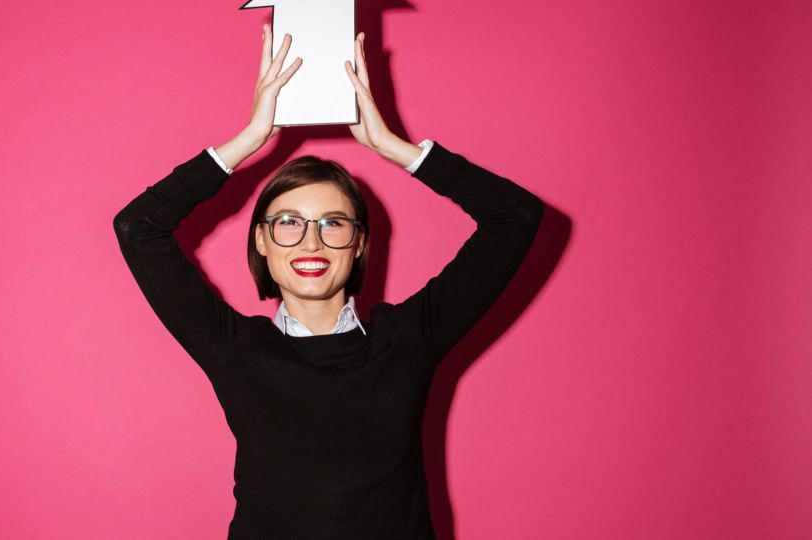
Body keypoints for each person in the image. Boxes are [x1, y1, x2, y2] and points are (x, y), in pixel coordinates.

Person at [113, 23, 544, 540]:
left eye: (333, 224)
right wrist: (251, 137)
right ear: (261, 243)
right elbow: (138, 228)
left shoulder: (408, 340)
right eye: (288, 223)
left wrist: (394, 147)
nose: (310, 243)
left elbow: (515, 217)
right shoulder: (235, 349)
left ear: (360, 242)